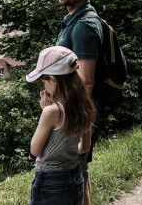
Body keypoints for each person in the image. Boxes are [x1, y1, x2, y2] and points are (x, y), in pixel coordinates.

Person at [55, 0, 104, 205]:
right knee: (79, 175)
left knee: (78, 173)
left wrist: (82, 133)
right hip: (68, 110)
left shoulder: (84, 25)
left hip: (74, 113)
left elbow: (86, 83)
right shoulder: (74, 21)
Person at [27, 46, 96, 205]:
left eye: (44, 81)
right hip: (75, 175)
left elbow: (35, 150)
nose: (44, 87)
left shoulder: (51, 112)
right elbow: (84, 147)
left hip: (51, 182)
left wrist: (45, 111)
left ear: (53, 79)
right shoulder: (85, 105)